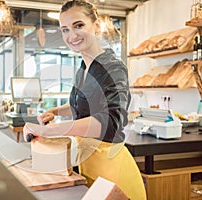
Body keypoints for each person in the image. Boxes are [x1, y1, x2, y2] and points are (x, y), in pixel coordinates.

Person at [23, 0, 146, 199]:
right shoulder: (83, 68)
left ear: (96, 26)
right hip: (87, 164)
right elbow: (82, 106)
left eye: (78, 25)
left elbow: (108, 122)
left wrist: (48, 130)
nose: (71, 36)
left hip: (112, 169)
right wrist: (55, 112)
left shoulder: (113, 68)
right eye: (65, 30)